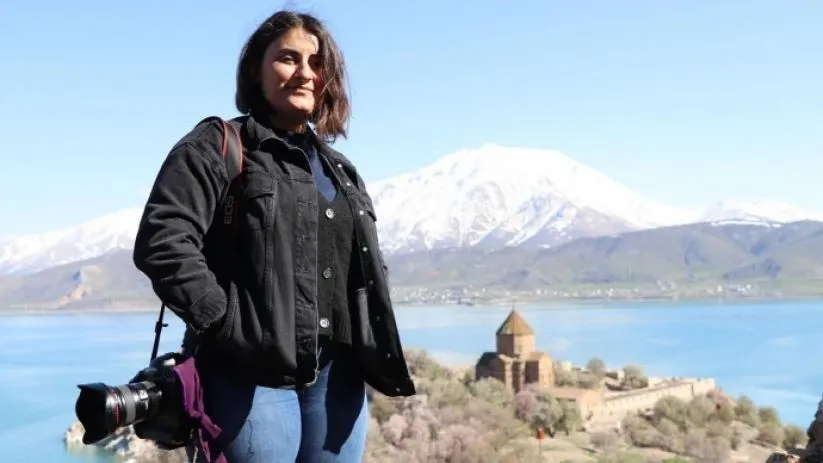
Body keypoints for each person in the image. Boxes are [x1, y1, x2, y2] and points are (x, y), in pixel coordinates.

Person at [132, 10, 416, 463]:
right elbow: (163, 242)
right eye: (288, 58)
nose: (305, 73)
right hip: (250, 378)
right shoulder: (218, 146)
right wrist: (227, 322)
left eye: (317, 63)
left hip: (336, 381)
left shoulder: (341, 172)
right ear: (255, 70)